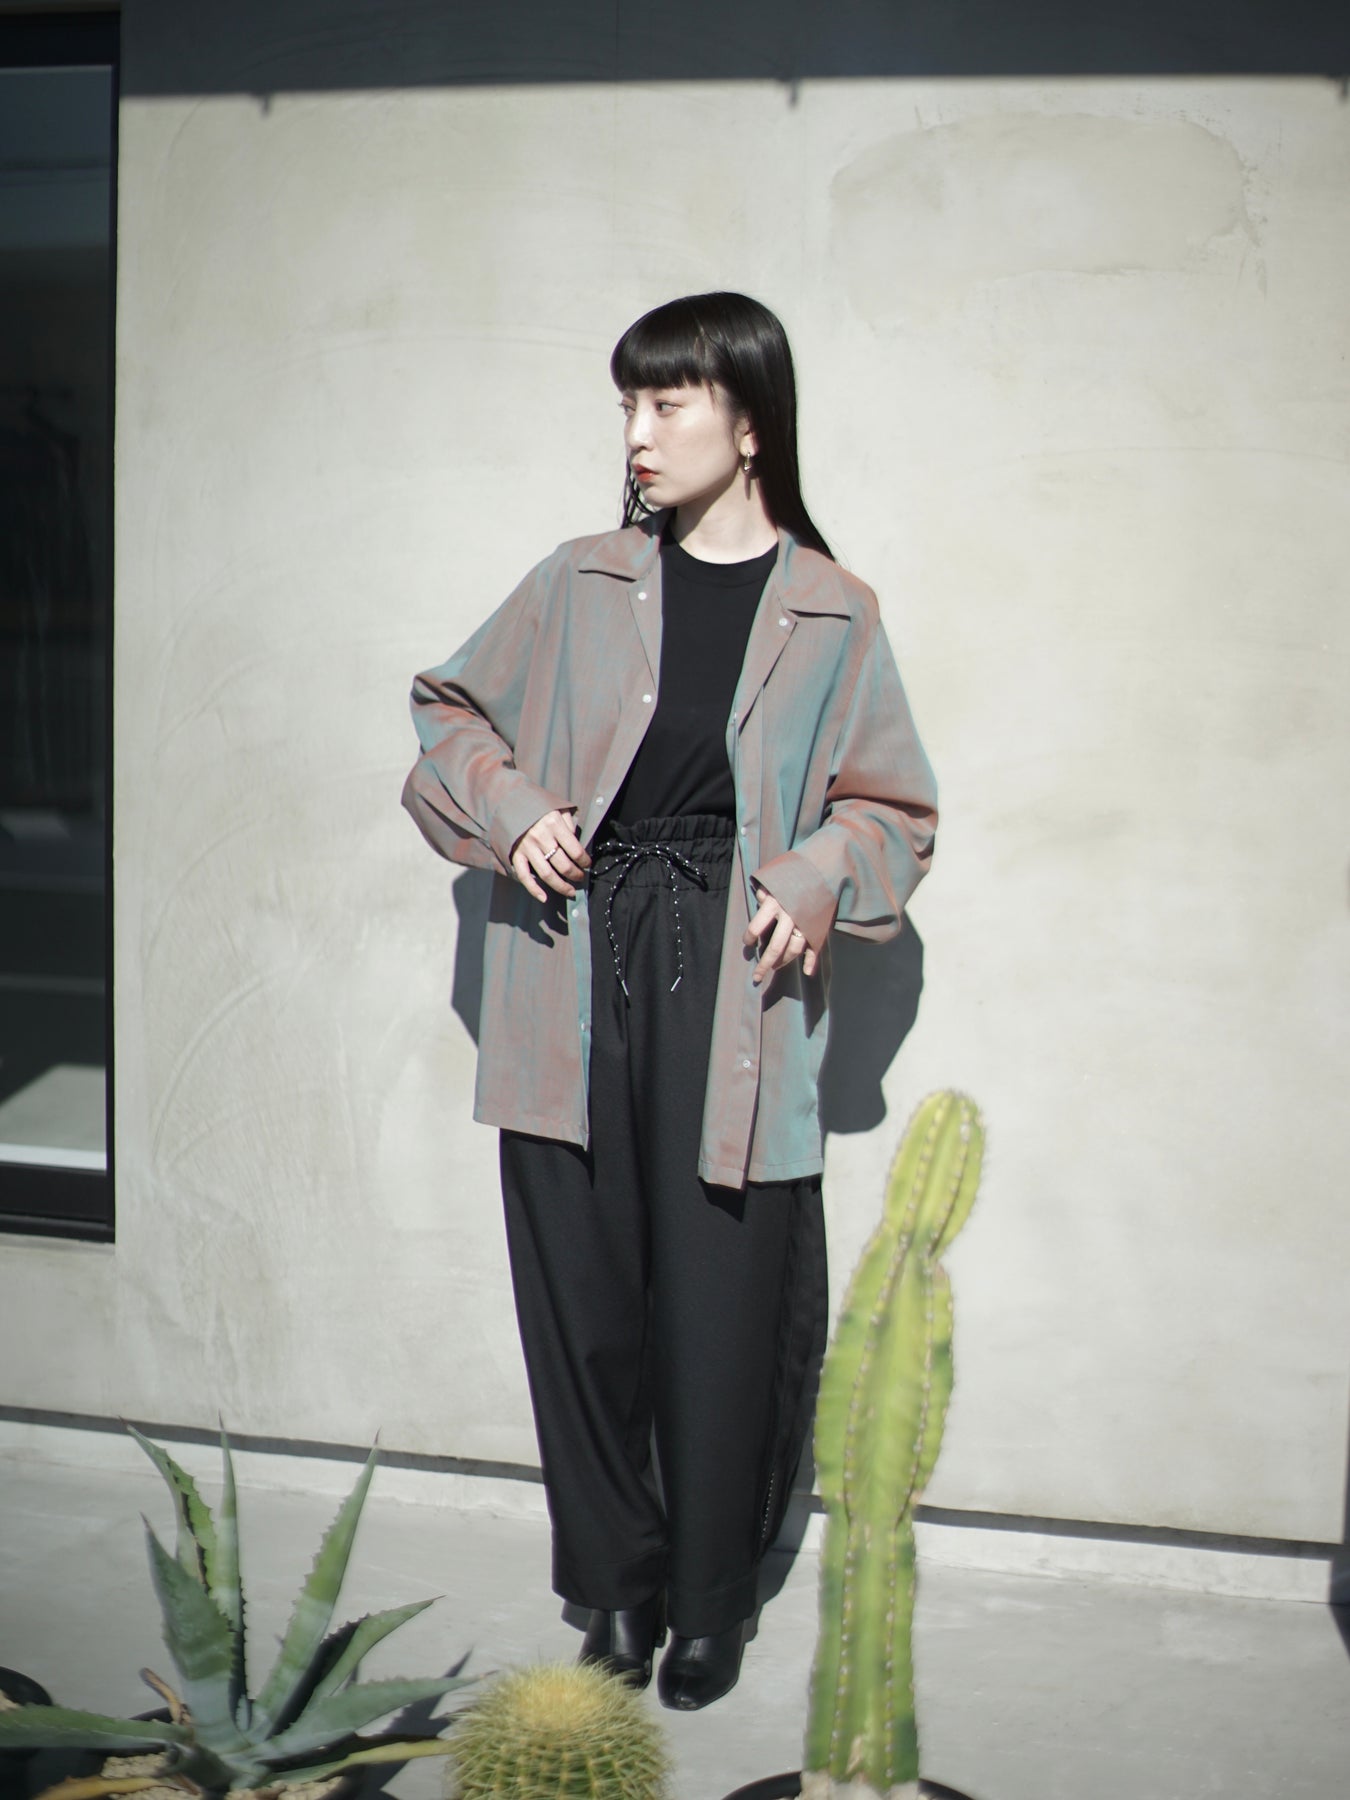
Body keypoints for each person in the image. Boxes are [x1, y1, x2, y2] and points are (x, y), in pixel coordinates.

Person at [402, 292, 937, 1711]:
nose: (636, 434)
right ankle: (617, 1588)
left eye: (666, 403)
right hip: (569, 949)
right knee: (583, 1301)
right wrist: (514, 811)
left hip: (733, 968)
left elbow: (894, 809)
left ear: (748, 424)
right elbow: (447, 712)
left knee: (717, 1299)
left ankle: (707, 1603)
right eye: (627, 406)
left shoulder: (833, 610)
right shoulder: (578, 580)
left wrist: (814, 874)